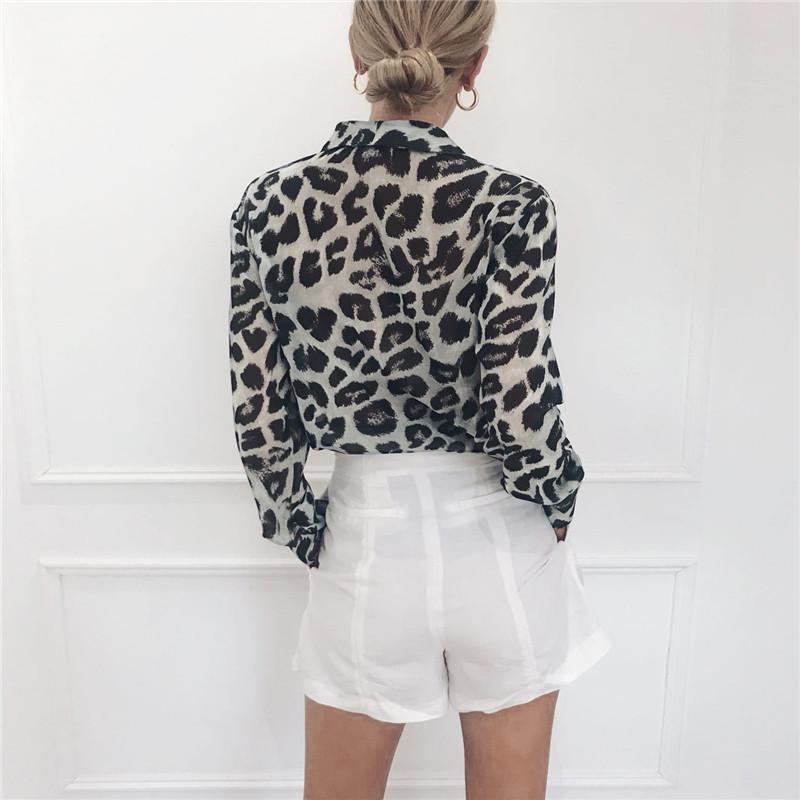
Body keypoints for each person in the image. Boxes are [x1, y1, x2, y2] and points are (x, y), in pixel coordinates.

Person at [228, 1, 611, 797]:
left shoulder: (269, 205)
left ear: (356, 54)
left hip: (366, 543)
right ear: (474, 66)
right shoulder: (512, 205)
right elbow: (519, 396)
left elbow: (260, 412)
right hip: (501, 544)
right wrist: (558, 494)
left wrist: (300, 526)